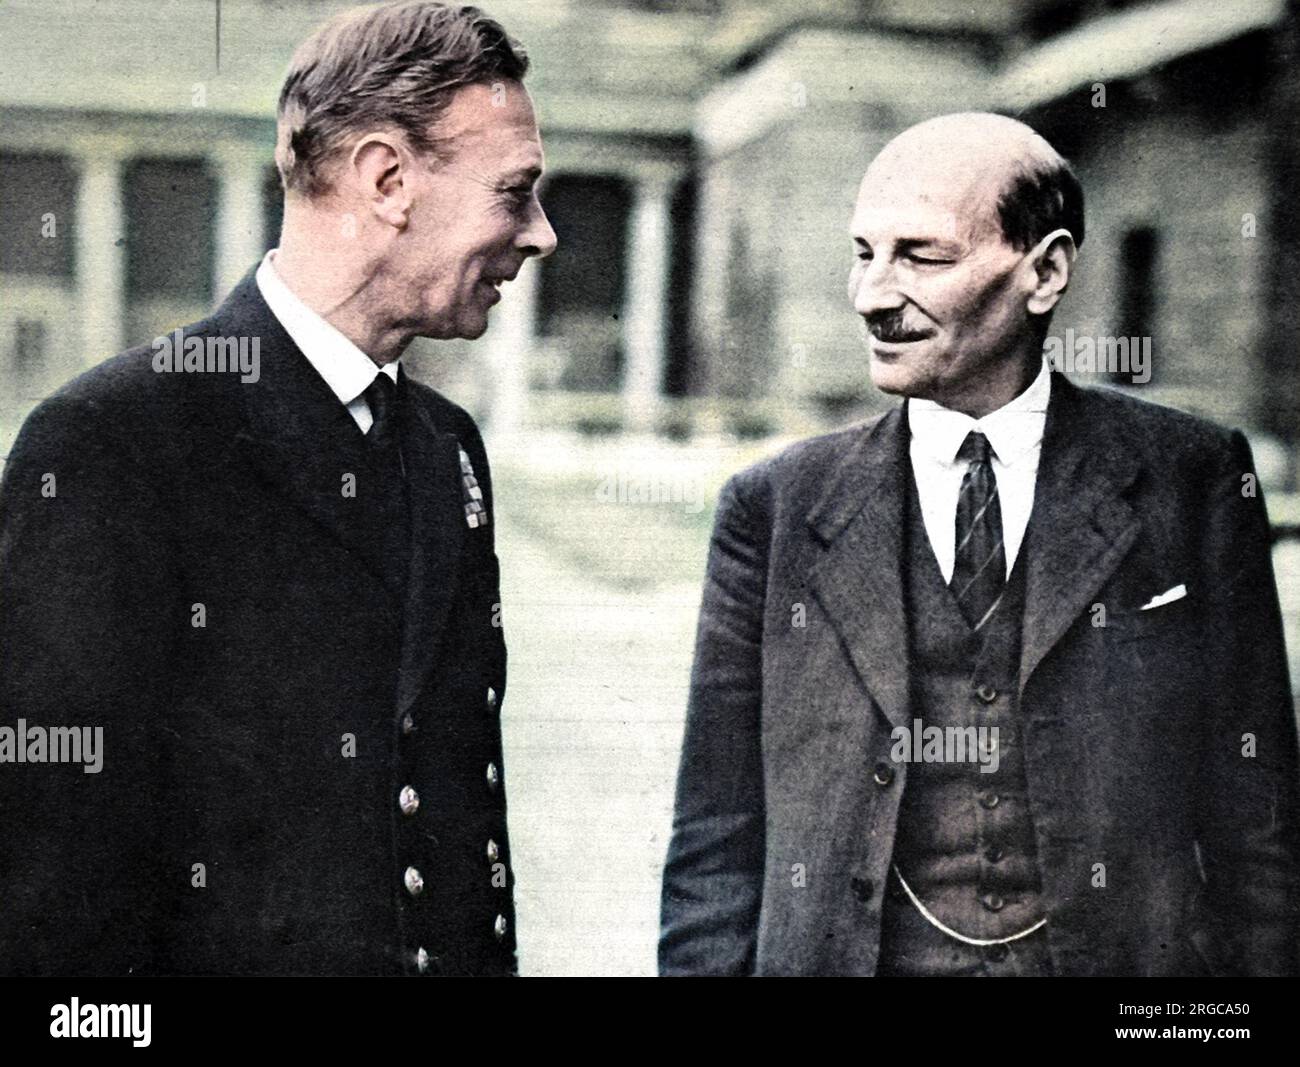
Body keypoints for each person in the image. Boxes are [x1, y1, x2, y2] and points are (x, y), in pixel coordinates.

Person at [659, 112, 1300, 977]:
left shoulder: (1191, 477)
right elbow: (716, 835)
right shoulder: (775, 506)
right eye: (863, 253)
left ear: (1046, 271)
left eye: (921, 256)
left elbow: (1257, 819)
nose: (873, 295)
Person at [0, 1, 556, 976]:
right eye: (515, 193)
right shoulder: (114, 441)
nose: (542, 234)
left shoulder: (443, 448)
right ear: (388, 180)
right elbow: (50, 891)